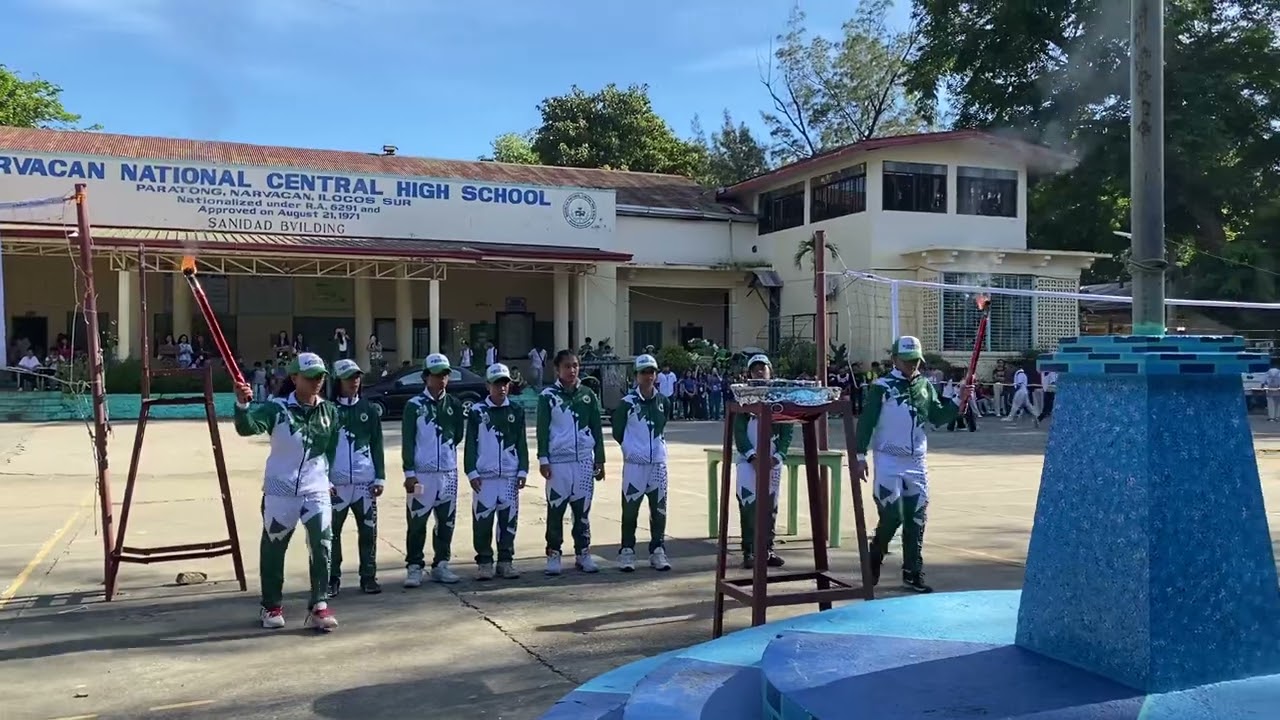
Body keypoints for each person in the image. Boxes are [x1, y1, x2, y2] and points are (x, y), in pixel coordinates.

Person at [232, 352, 341, 631]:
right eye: (310, 377)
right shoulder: (276, 409)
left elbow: (330, 449)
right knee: (274, 548)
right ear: (294, 378)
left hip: (315, 489)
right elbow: (247, 429)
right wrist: (242, 406)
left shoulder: (330, 411)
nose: (317, 382)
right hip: (280, 490)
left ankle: (319, 604)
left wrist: (328, 479)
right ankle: (271, 605)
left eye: (320, 377)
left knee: (322, 544)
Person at [854, 336, 960, 594]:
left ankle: (913, 572)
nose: (912, 366)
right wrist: (859, 456)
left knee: (916, 517)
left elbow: (937, 417)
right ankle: (875, 554)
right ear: (895, 360)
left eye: (915, 361)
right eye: (907, 361)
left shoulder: (925, 386)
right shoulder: (882, 387)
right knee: (892, 515)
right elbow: (866, 422)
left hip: (917, 461)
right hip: (888, 459)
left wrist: (957, 402)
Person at [536, 349, 606, 575]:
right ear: (557, 369)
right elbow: (542, 430)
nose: (572, 370)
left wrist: (600, 459)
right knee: (556, 511)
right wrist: (543, 459)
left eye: (575, 365)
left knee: (582, 511)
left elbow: (597, 427)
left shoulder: (588, 395)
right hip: (558, 463)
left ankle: (583, 553)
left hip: (584, 462)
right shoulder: (548, 396)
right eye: (567, 366)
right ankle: (553, 555)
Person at [401, 353, 466, 586]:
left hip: (448, 473)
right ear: (426, 376)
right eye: (437, 375)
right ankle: (414, 566)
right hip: (422, 474)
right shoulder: (414, 406)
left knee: (446, 521)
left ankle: (441, 564)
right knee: (417, 522)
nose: (441, 379)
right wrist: (409, 472)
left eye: (445, 375)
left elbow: (458, 435)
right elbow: (408, 439)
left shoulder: (455, 405)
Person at [464, 363, 529, 580]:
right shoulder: (477, 411)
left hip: (509, 476)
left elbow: (522, 443)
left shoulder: (516, 411)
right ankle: (484, 561)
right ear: (487, 385)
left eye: (504, 383)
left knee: (508, 520)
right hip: (485, 477)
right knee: (483, 520)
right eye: (496, 384)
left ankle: (505, 561)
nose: (501, 388)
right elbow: (471, 444)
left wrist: (523, 470)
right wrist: (471, 471)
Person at [327, 359, 385, 597]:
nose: (354, 381)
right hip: (335, 485)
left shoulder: (369, 410)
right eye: (349, 377)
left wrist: (379, 477)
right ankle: (332, 579)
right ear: (337, 381)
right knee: (331, 534)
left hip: (364, 483)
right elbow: (320, 448)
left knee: (368, 532)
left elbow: (377, 445)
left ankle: (368, 577)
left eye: (357, 377)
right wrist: (324, 478)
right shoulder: (328, 410)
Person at [611, 354, 672, 572]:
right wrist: (631, 449)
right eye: (644, 372)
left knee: (659, 510)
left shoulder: (663, 402)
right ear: (636, 375)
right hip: (635, 466)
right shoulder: (627, 403)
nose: (648, 376)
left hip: (657, 464)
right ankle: (627, 551)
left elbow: (663, 426)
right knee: (630, 510)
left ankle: (658, 550)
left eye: (651, 372)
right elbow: (617, 431)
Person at [733, 354, 793, 569]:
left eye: (763, 368)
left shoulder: (779, 400)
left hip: (773, 462)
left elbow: (787, 430)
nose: (759, 372)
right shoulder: (743, 398)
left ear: (770, 371)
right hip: (748, 461)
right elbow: (739, 432)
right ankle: (749, 551)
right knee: (749, 505)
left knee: (770, 506)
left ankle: (767, 549)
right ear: (749, 374)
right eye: (755, 369)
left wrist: (778, 457)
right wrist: (752, 456)